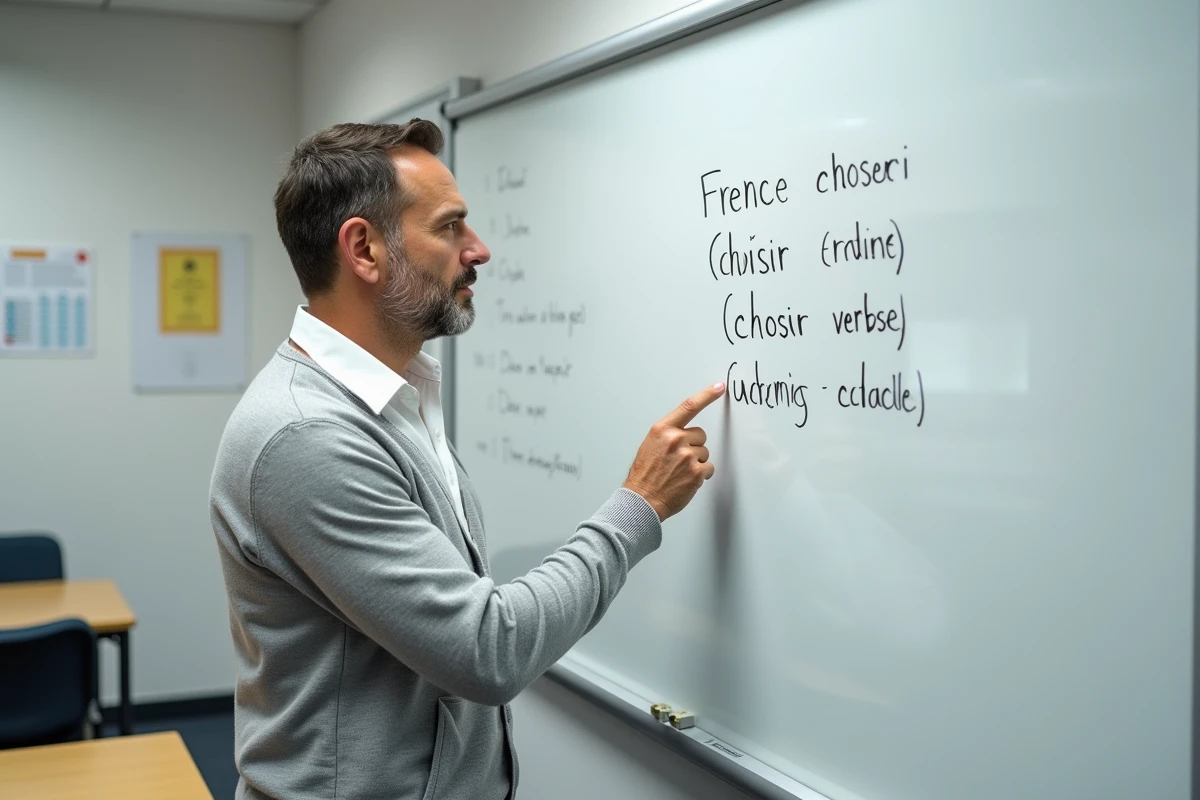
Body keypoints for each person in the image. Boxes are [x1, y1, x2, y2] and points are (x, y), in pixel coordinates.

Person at [209, 120, 725, 800]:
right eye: (450, 227)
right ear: (363, 248)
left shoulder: (395, 400)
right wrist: (639, 507)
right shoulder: (307, 435)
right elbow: (487, 651)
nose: (478, 251)